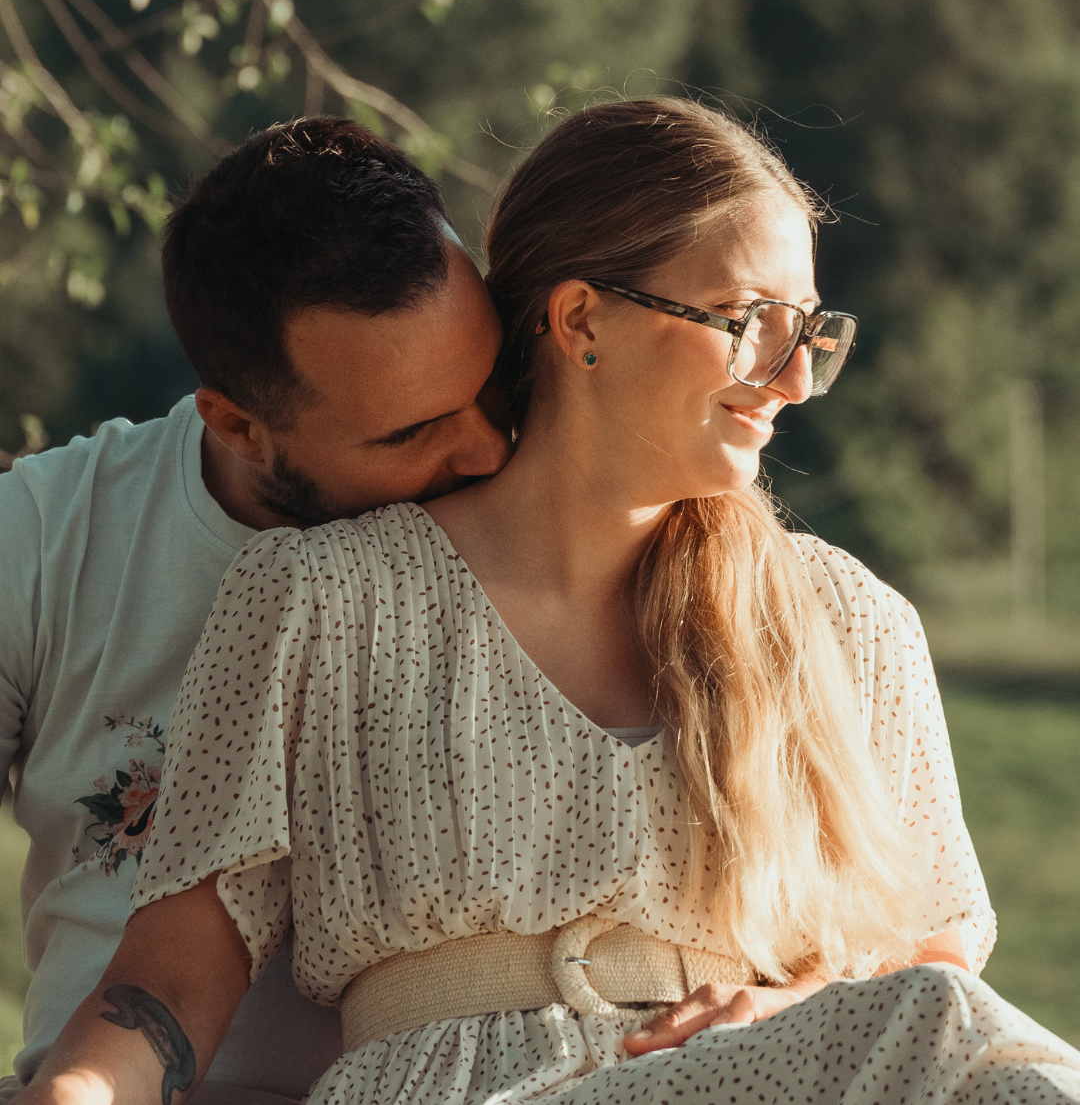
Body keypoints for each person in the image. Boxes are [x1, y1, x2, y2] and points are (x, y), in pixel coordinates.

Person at [19, 98, 1080, 1105]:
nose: (793, 377)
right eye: (750, 321)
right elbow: (169, 986)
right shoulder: (318, 600)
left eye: (810, 330)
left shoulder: (852, 625)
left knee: (938, 1017)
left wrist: (800, 1010)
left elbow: (936, 953)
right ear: (580, 322)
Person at [0, 118, 510, 1104]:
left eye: (494, 386)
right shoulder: (42, 537)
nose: (489, 450)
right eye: (414, 432)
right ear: (238, 424)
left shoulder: (545, 520)